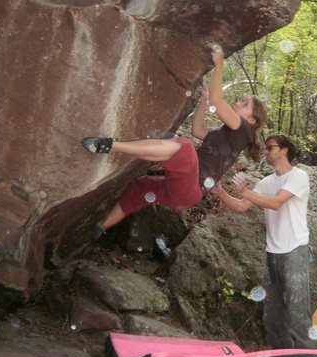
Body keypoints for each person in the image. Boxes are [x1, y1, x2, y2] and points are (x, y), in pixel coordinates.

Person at [81, 44, 267, 240]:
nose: (238, 103)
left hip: (192, 187)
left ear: (252, 120)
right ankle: (100, 227)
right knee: (141, 188)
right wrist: (203, 104)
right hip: (181, 193)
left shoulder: (244, 130)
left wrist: (219, 64)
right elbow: (198, 131)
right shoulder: (227, 134)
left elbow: (218, 101)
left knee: (184, 148)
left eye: (244, 104)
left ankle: (112, 146)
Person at [212, 134, 315, 349]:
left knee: (297, 316)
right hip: (272, 254)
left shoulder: (298, 176)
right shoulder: (266, 182)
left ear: (284, 150)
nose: (266, 152)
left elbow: (276, 202)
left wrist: (246, 192)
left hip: (295, 250)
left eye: (270, 148)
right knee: (272, 318)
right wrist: (220, 192)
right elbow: (241, 206)